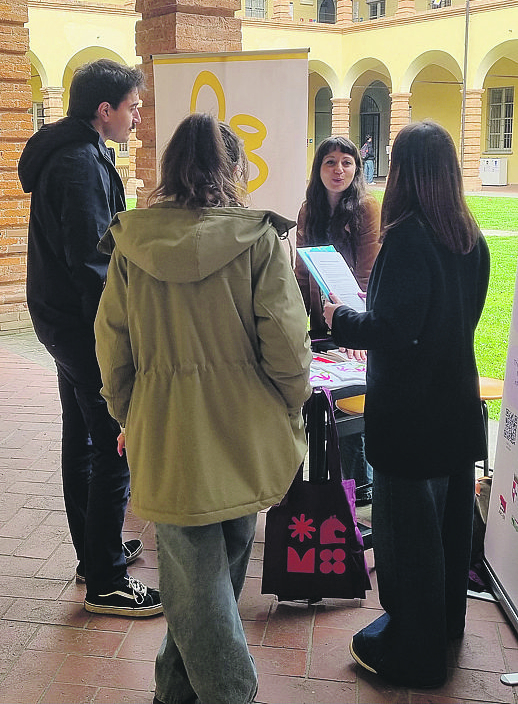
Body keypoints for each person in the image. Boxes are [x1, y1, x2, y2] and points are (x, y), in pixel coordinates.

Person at [95, 113, 312, 703]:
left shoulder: (131, 245)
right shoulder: (258, 240)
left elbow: (112, 343)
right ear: (232, 168)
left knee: (199, 582)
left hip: (166, 429)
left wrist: (126, 413)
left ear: (169, 170)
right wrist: (290, 403)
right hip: (246, 427)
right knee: (210, 580)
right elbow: (289, 345)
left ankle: (176, 693)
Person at [322, 120, 490, 689]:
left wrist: (339, 318)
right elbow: (450, 319)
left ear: (406, 172)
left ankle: (414, 653)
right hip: (455, 406)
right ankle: (443, 629)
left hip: (409, 414)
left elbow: (393, 329)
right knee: (446, 530)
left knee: (408, 541)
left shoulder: (409, 237)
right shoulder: (470, 236)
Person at [17, 58, 161, 617]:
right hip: (82, 325)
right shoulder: (79, 163)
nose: (137, 116)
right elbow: (91, 261)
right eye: (132, 107)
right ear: (105, 111)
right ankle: (106, 581)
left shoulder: (76, 153)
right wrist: (118, 336)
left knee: (82, 437)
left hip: (61, 319)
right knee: (113, 444)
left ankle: (94, 553)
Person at [295, 136, 381, 504]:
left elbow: (366, 275)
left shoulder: (365, 208)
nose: (338, 169)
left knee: (350, 405)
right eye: (330, 162)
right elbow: (301, 271)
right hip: (317, 321)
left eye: (347, 162)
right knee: (314, 402)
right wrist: (296, 319)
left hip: (353, 319)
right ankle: (318, 487)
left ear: (356, 169)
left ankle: (360, 489)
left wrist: (350, 325)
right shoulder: (308, 209)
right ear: (318, 169)